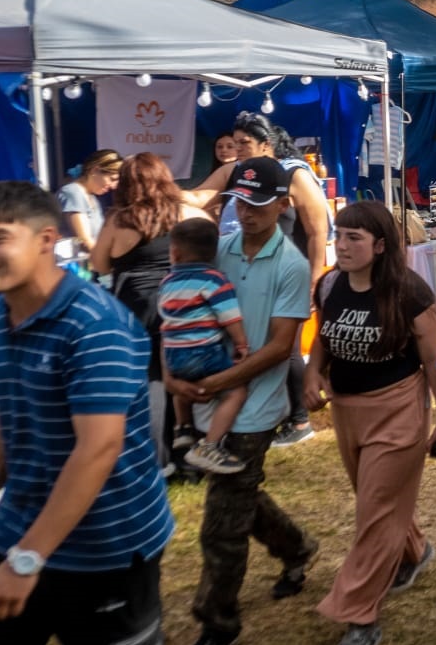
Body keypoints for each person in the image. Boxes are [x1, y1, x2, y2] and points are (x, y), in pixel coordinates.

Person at [0, 181, 174, 645]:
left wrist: (27, 558)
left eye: (0, 237)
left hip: (108, 550)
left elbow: (97, 449)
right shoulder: (1, 318)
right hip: (23, 527)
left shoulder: (94, 323)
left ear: (46, 239)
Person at [169, 158, 320, 645]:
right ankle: (297, 548)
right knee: (240, 496)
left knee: (220, 525)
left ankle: (217, 623)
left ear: (284, 205)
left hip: (254, 408)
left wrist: (218, 383)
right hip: (212, 397)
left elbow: (280, 347)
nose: (247, 212)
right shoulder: (221, 250)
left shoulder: (292, 266)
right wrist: (182, 375)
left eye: (258, 204)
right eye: (240, 202)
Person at [303, 201, 436, 645]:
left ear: (380, 246)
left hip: (398, 410)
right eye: (339, 235)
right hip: (347, 412)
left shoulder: (409, 292)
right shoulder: (329, 285)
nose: (342, 245)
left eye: (354, 237)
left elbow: (434, 361)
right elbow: (324, 338)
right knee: (379, 503)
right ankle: (413, 551)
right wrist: (313, 374)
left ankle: (359, 613)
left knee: (373, 511)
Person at [190, 111, 331, 446]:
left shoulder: (295, 174)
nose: (237, 150)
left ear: (266, 145)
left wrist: (314, 278)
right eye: (234, 143)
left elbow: (318, 230)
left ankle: (299, 420)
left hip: (286, 271)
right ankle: (267, 413)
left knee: (287, 346)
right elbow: (198, 197)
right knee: (259, 343)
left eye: (244, 143)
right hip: (247, 270)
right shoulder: (237, 171)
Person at [92, 153, 213, 468]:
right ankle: (192, 455)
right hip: (185, 304)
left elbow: (99, 264)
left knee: (152, 381)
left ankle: (158, 459)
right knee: (186, 374)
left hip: (137, 308)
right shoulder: (190, 213)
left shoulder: (119, 220)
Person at [159, 218, 252, 475]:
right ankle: (209, 446)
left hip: (173, 355)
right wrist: (241, 343)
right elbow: (229, 316)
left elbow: (165, 317)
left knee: (182, 387)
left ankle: (183, 428)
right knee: (236, 392)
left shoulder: (167, 282)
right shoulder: (214, 280)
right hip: (203, 353)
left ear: (175, 252)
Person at [56, 149, 121, 255]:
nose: (114, 186)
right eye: (112, 179)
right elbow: (85, 240)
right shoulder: (73, 192)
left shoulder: (92, 198)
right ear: (95, 170)